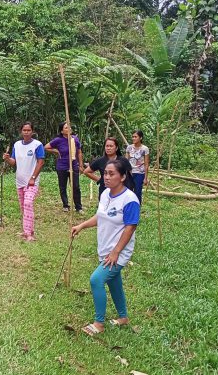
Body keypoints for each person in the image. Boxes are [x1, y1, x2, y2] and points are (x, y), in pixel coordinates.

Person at [71, 159, 140, 337]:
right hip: (105, 248)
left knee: (96, 280)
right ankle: (123, 317)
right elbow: (100, 216)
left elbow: (130, 227)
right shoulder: (106, 194)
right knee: (113, 281)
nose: (106, 177)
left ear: (123, 176)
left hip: (118, 252)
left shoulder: (130, 200)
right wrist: (82, 226)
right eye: (105, 173)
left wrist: (116, 252)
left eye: (111, 174)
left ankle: (99, 323)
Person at [2, 122, 45, 241]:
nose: (26, 132)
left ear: (32, 131)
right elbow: (13, 162)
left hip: (31, 181)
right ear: (21, 131)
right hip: (19, 180)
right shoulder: (17, 145)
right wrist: (7, 159)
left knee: (28, 203)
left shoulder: (37, 145)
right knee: (23, 206)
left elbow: (41, 162)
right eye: (24, 130)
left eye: (29, 130)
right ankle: (26, 230)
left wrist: (33, 177)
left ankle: (30, 234)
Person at [45, 122, 84, 213]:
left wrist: (81, 165)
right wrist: (56, 151)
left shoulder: (75, 139)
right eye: (66, 128)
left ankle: (78, 207)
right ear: (62, 131)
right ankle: (65, 205)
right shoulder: (58, 140)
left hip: (74, 165)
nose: (69, 129)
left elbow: (79, 152)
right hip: (62, 166)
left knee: (76, 186)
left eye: (69, 127)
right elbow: (46, 147)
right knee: (63, 186)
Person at [125, 130, 150, 203]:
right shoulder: (129, 148)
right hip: (130, 172)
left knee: (137, 192)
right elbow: (126, 161)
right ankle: (128, 206)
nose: (133, 138)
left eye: (135, 137)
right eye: (133, 137)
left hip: (140, 173)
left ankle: (137, 207)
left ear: (140, 138)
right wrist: (126, 172)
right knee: (128, 191)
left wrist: (145, 178)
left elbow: (146, 163)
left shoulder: (145, 149)